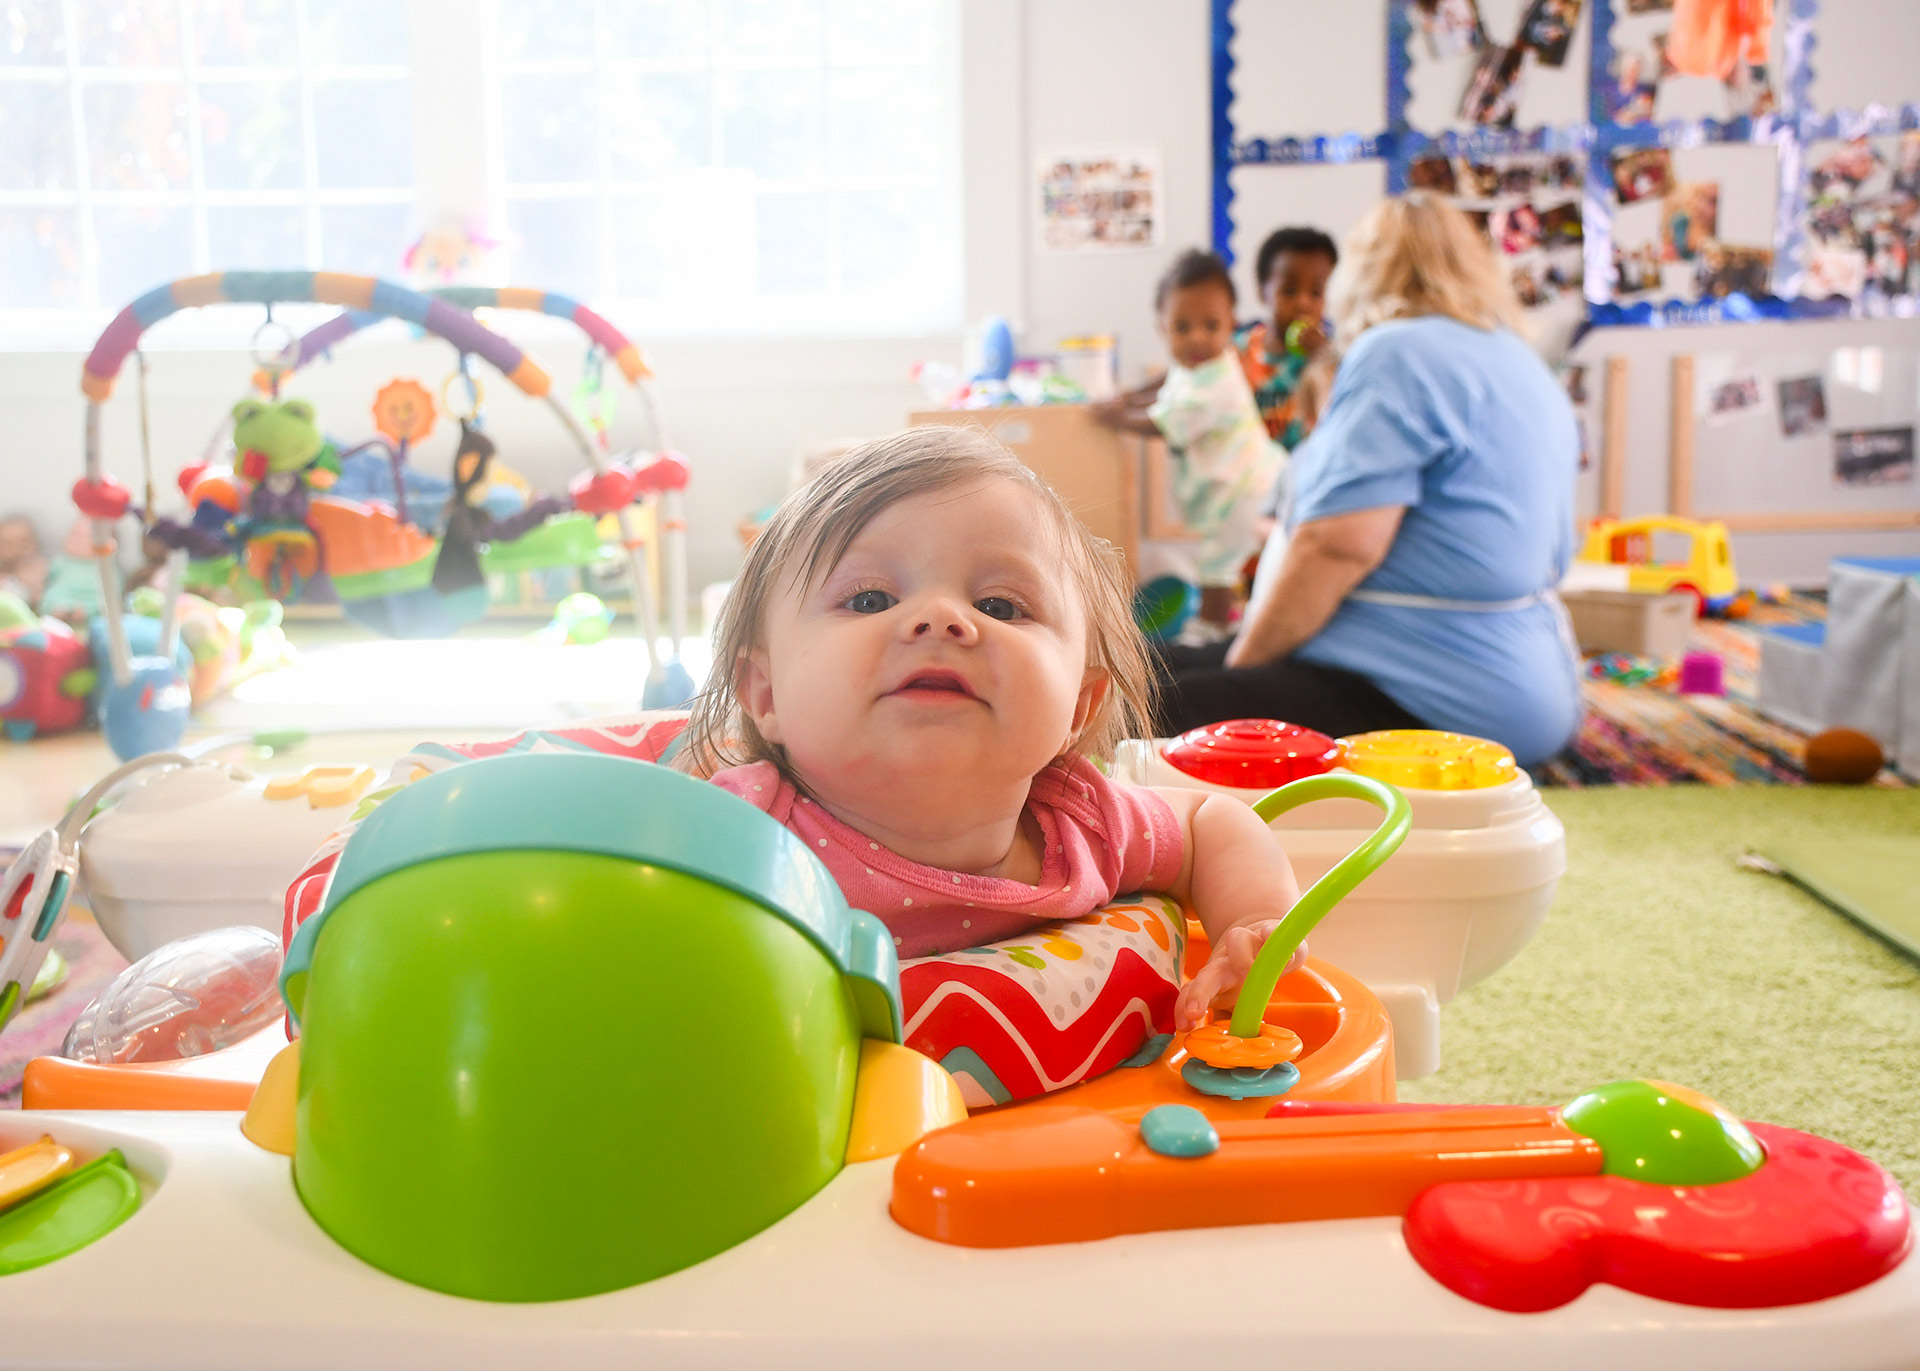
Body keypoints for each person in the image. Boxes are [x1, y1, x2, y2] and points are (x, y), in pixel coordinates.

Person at [681, 426, 1307, 1093]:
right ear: (766, 693)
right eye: (870, 598)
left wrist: (1253, 924)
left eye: (1000, 605)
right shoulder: (742, 831)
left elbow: (1212, 820)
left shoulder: (1080, 823)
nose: (943, 618)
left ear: (1079, 706)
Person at [1156, 194, 1582, 768]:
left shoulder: (1398, 351)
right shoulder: (1517, 357)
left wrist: (1242, 675)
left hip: (1426, 696)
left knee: (1139, 702)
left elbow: (1337, 546)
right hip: (1518, 684)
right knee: (1158, 664)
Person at [1091, 250, 1281, 634]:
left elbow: (1161, 423)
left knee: (1217, 562)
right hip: (1234, 483)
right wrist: (1130, 396)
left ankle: (1213, 628)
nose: (1196, 338)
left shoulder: (1218, 386)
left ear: (1232, 325)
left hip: (1245, 490)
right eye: (1182, 327)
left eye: (1211, 326)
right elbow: (1167, 381)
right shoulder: (1196, 365)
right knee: (1227, 558)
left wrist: (1115, 416)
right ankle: (1231, 616)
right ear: (1163, 327)